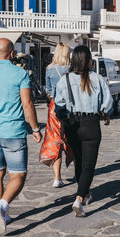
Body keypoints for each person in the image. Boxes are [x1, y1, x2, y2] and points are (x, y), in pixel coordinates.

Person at [55, 45, 113, 217]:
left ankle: (86, 193)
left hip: (72, 125)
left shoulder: (64, 80)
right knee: (89, 164)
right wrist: (105, 114)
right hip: (91, 123)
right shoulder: (97, 79)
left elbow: (59, 106)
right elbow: (107, 103)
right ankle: (79, 199)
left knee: (79, 161)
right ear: (88, 60)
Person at [0, 38, 42, 233]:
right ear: (11, 54)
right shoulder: (20, 73)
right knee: (18, 176)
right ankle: (2, 207)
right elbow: (27, 104)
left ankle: (3, 213)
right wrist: (35, 128)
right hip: (13, 132)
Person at [41, 42, 74, 188]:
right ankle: (79, 173)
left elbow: (48, 90)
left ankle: (57, 177)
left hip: (55, 106)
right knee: (73, 138)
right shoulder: (72, 69)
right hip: (70, 106)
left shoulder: (49, 69)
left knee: (56, 140)